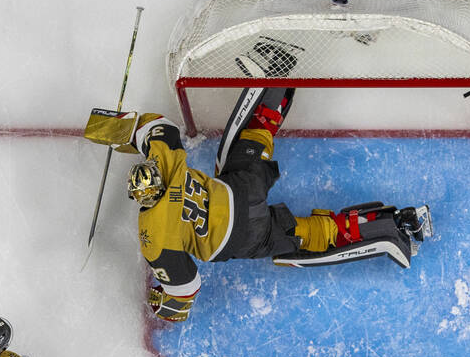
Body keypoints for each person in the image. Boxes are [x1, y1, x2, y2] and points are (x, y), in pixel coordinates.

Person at [83, 38, 431, 323]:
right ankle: (277, 77)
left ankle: (394, 227)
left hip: (243, 237)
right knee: (250, 140)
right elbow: (159, 128)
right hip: (239, 190)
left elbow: (185, 289)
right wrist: (109, 129)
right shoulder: (165, 161)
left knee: (306, 233)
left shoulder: (153, 238)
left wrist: (165, 306)